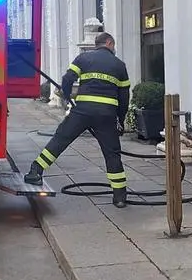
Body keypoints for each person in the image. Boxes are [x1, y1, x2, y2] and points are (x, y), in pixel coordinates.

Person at [24, 32, 132, 208]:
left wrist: (67, 97)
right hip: (106, 115)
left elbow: (67, 79)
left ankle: (36, 171)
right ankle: (119, 196)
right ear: (109, 43)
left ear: (97, 44)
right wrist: (120, 119)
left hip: (82, 111)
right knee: (112, 153)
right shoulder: (119, 65)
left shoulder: (83, 58)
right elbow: (124, 96)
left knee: (61, 139)